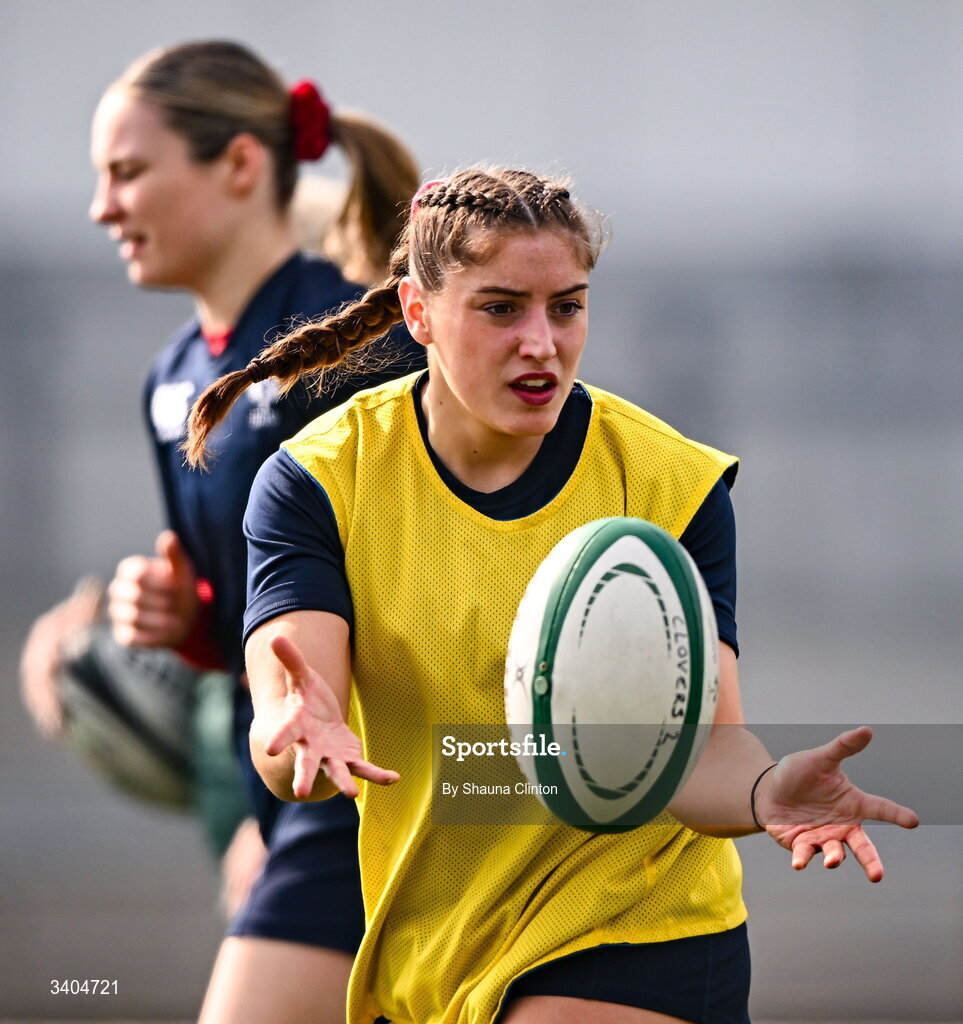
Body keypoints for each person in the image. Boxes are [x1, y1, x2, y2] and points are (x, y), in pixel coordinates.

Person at [186, 167, 920, 1024]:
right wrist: (293, 736)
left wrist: (765, 794)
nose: (541, 341)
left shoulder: (668, 483)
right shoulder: (319, 481)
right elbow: (289, 734)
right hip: (435, 950)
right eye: (501, 308)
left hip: (637, 925)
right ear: (417, 313)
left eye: (566, 307)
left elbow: (697, 748)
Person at [25, 38, 425, 1024]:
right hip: (304, 801)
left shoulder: (352, 341)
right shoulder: (171, 378)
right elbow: (262, 627)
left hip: (404, 801)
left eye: (127, 172)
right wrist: (184, 620)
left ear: (241, 165)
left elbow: (419, 585)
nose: (102, 207)